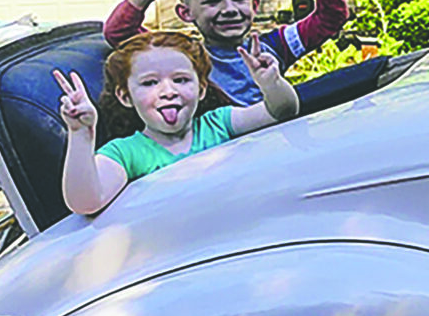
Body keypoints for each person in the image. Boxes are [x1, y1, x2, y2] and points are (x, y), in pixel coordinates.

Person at [55, 30, 296, 216]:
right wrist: (81, 133)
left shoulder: (218, 123)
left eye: (181, 80)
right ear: (125, 96)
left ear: (201, 89)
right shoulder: (126, 152)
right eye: (150, 83)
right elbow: (86, 202)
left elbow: (282, 111)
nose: (168, 91)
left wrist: (271, 83)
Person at [105, 0, 351, 106]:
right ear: (185, 13)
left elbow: (331, 18)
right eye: (213, 1)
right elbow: (119, 33)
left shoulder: (276, 45)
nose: (230, 9)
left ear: (254, 5)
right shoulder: (184, 56)